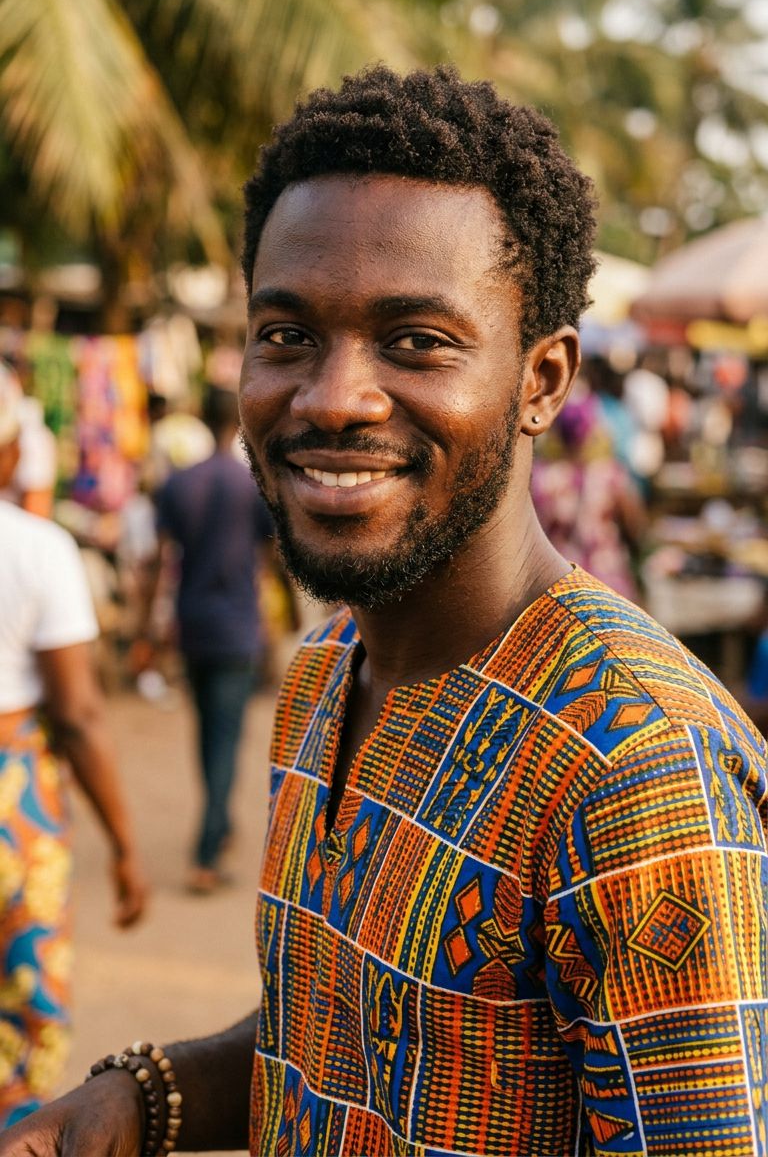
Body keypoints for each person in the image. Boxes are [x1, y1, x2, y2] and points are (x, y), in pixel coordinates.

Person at [3, 65, 767, 1156]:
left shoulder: (640, 772)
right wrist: (147, 1093)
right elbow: (355, 1029)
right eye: (286, 334)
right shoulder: (322, 670)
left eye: (416, 340)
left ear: (542, 379)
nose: (331, 397)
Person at [0, 364, 147, 1129]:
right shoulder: (35, 550)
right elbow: (81, 715)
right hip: (10, 800)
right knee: (22, 1021)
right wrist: (123, 845)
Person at [133, 386, 276, 893]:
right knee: (226, 739)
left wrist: (146, 629)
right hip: (236, 626)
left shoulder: (179, 484)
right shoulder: (252, 486)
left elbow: (157, 563)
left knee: (205, 734)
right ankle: (207, 854)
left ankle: (217, 829)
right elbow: (273, 559)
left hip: (192, 624)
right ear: (237, 421)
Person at [532, 389, 646, 599]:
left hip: (556, 586)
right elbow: (635, 527)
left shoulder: (539, 477)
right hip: (606, 586)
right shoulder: (610, 476)